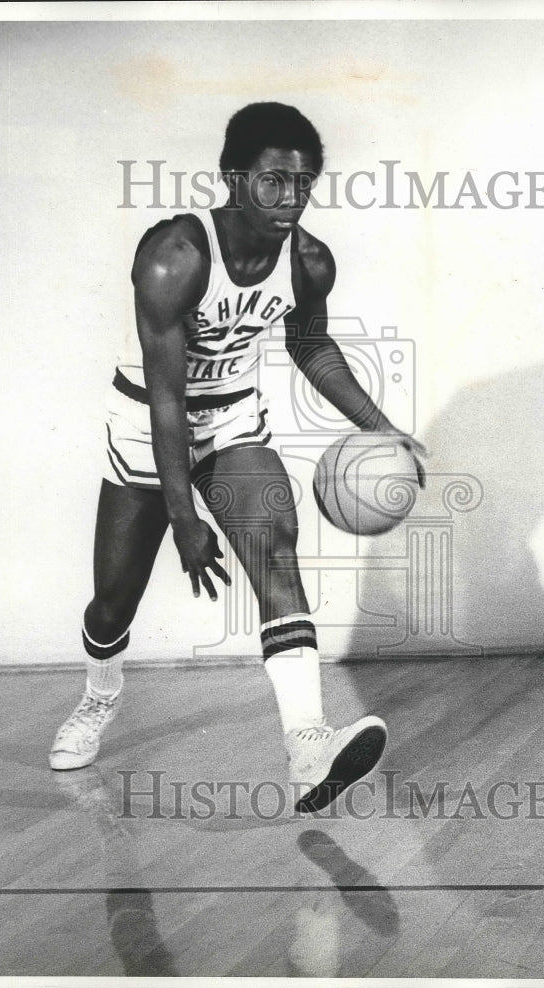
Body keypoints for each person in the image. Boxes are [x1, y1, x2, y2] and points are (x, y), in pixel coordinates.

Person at [49, 102, 426, 813]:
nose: (290, 199)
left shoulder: (309, 261)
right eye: (273, 182)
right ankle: (100, 697)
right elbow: (166, 400)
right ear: (232, 178)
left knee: (275, 548)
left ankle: (308, 746)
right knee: (111, 603)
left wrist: (383, 429)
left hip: (231, 423)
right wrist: (184, 514)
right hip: (147, 424)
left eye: (304, 184)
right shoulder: (174, 256)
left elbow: (310, 345)